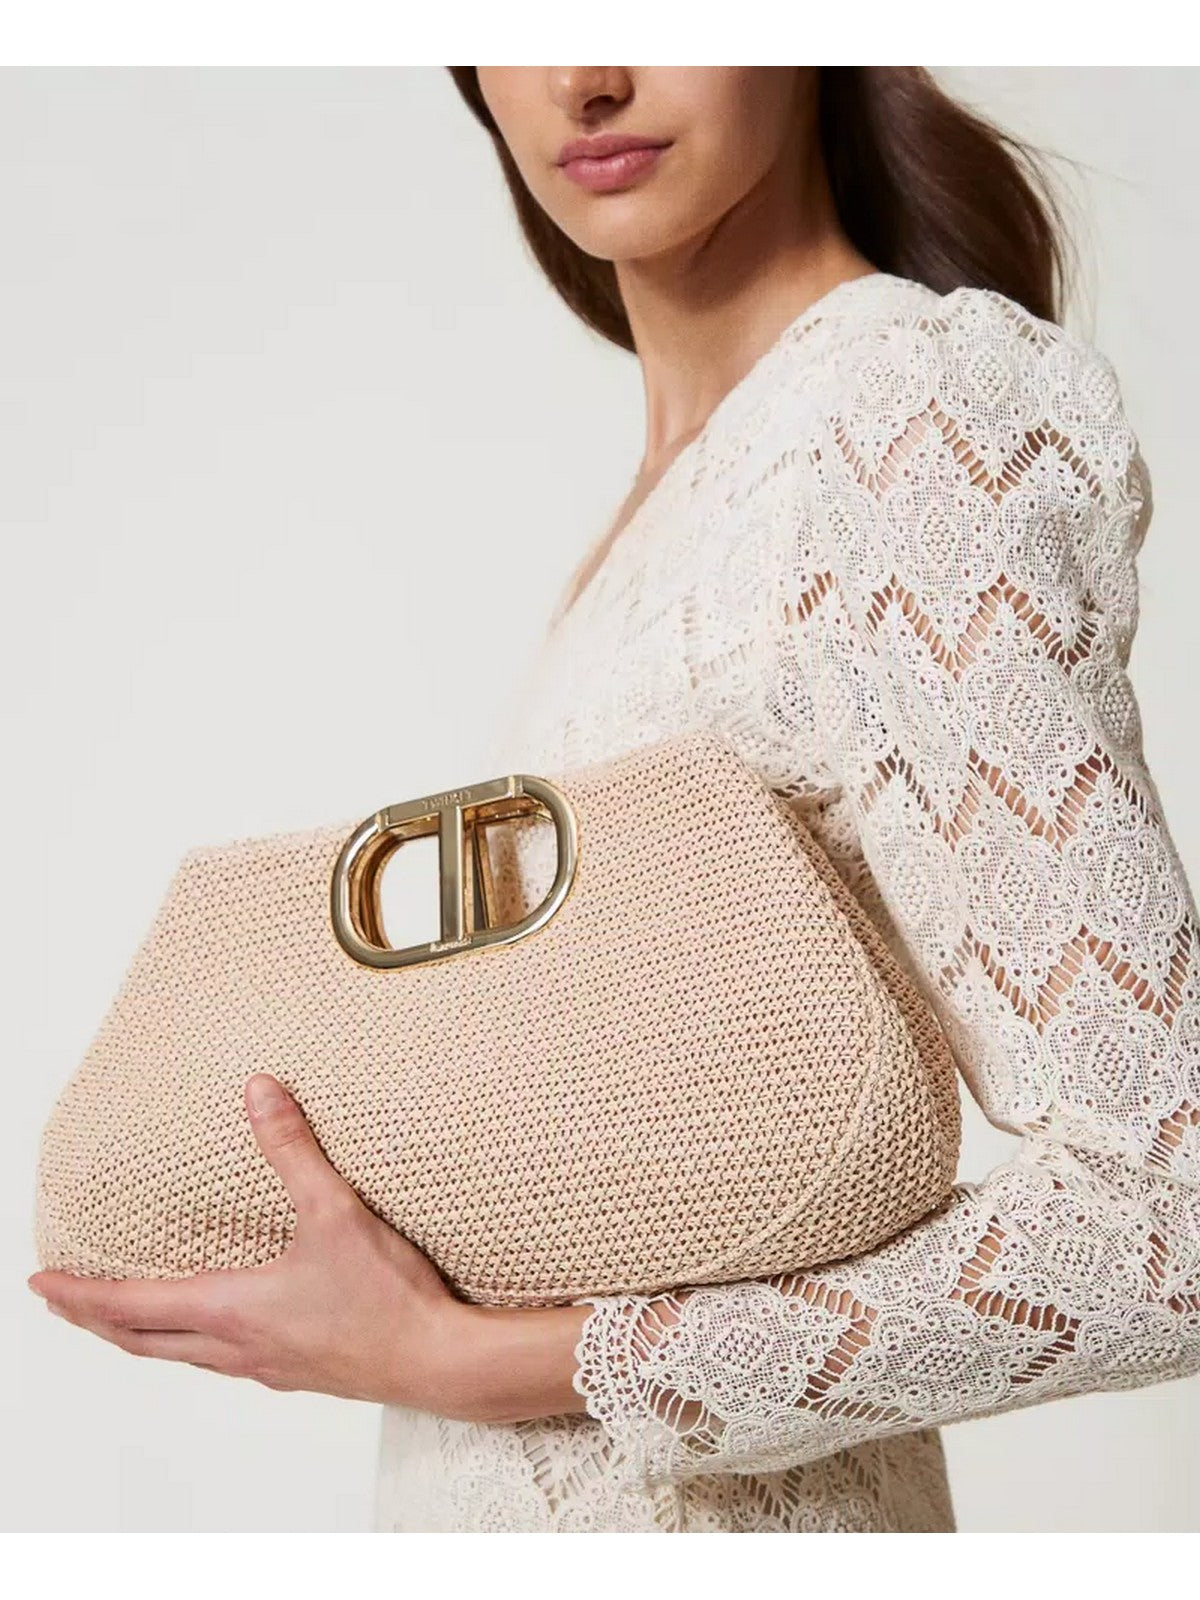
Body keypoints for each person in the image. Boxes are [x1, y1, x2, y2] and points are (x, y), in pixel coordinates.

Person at [28, 66, 1200, 1534]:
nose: (587, 78)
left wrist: (482, 1362)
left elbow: (1172, 1218)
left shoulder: (902, 416)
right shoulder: (697, 476)